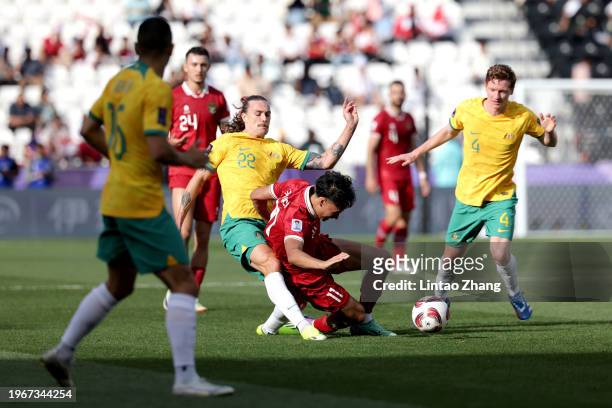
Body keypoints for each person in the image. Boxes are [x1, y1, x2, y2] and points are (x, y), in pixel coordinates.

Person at [40, 17, 234, 397]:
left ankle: (62, 353)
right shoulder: (157, 90)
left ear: (135, 48)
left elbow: (86, 129)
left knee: (120, 282)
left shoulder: (119, 81)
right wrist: (192, 158)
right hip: (139, 199)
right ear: (170, 50)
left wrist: (121, 156)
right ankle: (185, 377)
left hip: (114, 195)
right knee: (182, 283)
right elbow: (160, 149)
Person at [178, 95, 359, 341]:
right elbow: (197, 180)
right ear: (243, 117)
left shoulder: (279, 148)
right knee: (271, 264)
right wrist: (179, 220)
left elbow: (326, 160)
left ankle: (270, 327)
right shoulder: (225, 143)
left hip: (272, 226)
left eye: (267, 114)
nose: (264, 118)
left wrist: (349, 126)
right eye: (258, 113)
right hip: (239, 223)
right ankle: (304, 327)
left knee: (294, 279)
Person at [387, 64, 557, 320]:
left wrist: (550, 133)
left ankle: (515, 294)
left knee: (499, 253)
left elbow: (547, 142)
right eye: (493, 89)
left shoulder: (522, 116)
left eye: (503, 91)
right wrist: (416, 152)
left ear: (511, 91)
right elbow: (447, 131)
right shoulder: (467, 109)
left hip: (501, 197)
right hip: (467, 197)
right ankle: (439, 298)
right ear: (486, 86)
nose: (497, 96)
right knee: (450, 258)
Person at [251, 171, 396, 337]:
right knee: (356, 313)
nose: (337, 215)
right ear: (322, 201)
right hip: (301, 271)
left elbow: (256, 195)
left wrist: (268, 219)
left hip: (315, 244)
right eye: (335, 210)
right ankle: (310, 324)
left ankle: (365, 323)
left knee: (381, 259)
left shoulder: (296, 185)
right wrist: (324, 265)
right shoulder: (297, 217)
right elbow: (294, 254)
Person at [164, 46, 230, 314]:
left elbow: (227, 134)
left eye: (203, 64)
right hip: (181, 168)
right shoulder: (172, 97)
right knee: (182, 230)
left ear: (208, 67)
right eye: (194, 64)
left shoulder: (217, 98)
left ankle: (190, 295)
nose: (199, 69)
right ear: (186, 67)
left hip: (209, 170)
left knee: (202, 238)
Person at [366, 80, 430, 258]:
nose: (398, 96)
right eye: (395, 92)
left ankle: (398, 259)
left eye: (401, 92)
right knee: (393, 215)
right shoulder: (381, 119)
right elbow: (371, 149)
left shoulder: (408, 119)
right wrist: (371, 176)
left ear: (405, 94)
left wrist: (423, 176)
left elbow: (415, 151)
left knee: (405, 219)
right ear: (389, 94)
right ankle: (376, 250)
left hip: (406, 175)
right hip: (388, 175)